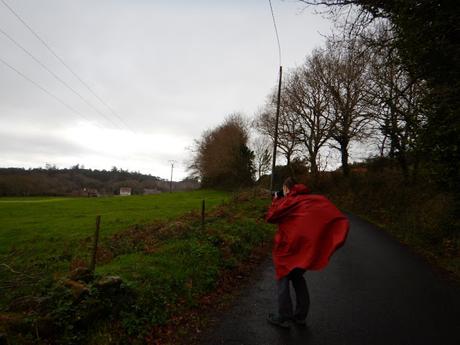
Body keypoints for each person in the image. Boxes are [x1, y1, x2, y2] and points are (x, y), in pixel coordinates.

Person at [265, 177, 349, 328]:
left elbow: (271, 217)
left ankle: (284, 316)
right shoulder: (308, 199)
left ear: (286, 188)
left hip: (288, 248)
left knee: (283, 277)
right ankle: (300, 316)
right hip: (303, 248)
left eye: (283, 189)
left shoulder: (288, 201)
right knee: (298, 278)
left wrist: (276, 200)